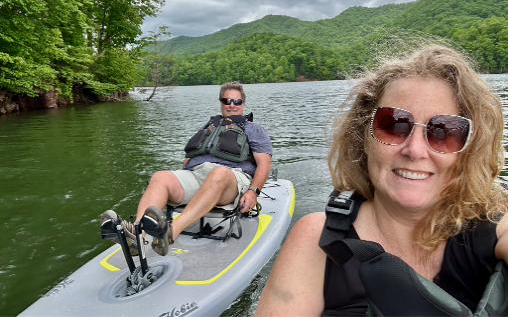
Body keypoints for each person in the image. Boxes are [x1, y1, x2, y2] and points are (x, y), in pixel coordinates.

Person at [255, 45, 508, 316]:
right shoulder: (316, 242)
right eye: (394, 125)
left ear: (468, 148)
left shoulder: (495, 225)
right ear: (363, 137)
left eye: (444, 131)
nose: (415, 151)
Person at [101, 81, 272, 256]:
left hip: (232, 179)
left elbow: (264, 163)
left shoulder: (253, 129)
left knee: (218, 173)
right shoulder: (208, 126)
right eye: (227, 100)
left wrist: (253, 191)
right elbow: (190, 156)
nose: (231, 105)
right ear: (221, 102)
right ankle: (137, 236)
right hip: (198, 175)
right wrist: (182, 175)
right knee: (160, 177)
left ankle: (171, 231)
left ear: (243, 104)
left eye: (237, 101)